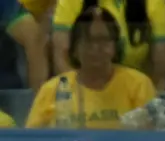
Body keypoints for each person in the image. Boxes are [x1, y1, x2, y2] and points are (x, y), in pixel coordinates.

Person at [26, 7, 156, 129]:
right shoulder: (52, 90)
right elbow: (32, 140)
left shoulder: (139, 85)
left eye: (103, 40)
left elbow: (150, 139)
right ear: (75, 49)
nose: (96, 48)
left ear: (116, 46)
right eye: (88, 41)